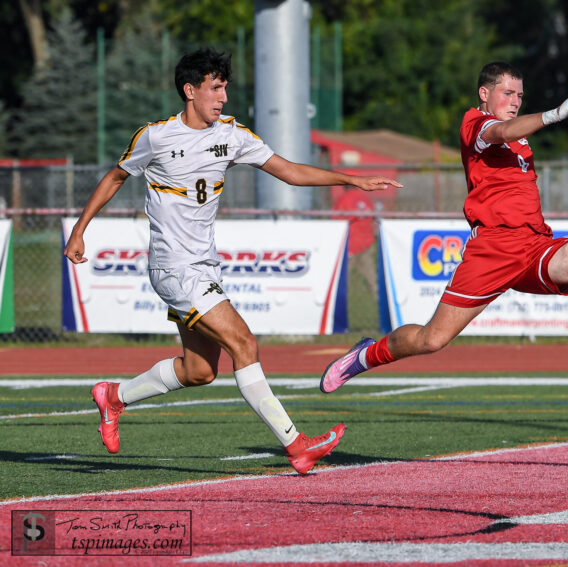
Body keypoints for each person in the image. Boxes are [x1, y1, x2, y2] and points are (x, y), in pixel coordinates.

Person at [63, 48, 401, 474]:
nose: (223, 97)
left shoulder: (232, 135)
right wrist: (79, 230)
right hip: (174, 267)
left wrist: (351, 179)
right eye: (215, 88)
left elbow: (289, 171)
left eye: (225, 88)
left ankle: (114, 396)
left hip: (204, 266)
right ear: (190, 90)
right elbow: (115, 177)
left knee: (199, 371)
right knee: (244, 343)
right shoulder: (155, 137)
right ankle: (296, 445)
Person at [319, 61, 568, 394]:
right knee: (432, 340)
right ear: (485, 93)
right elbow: (501, 131)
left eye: (519, 96)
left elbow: (513, 135)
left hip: (533, 246)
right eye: (507, 93)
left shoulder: (519, 140)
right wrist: (555, 114)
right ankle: (365, 356)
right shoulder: (475, 124)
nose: (514, 101)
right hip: (492, 251)